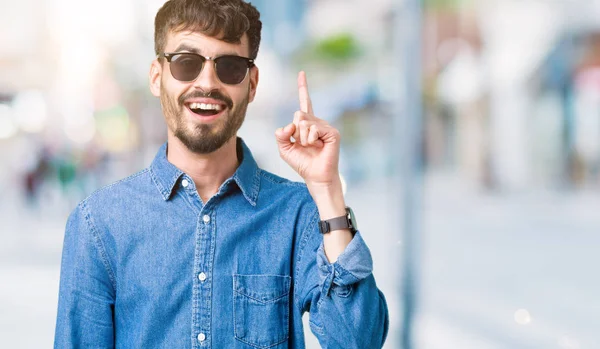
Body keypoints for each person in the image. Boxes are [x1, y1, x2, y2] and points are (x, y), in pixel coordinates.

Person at [54, 0, 389, 348]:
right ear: (157, 77)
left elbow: (358, 341)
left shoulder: (300, 214)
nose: (208, 83)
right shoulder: (98, 224)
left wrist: (327, 190)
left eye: (229, 67)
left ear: (252, 83)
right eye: (187, 63)